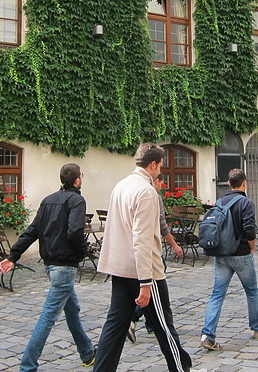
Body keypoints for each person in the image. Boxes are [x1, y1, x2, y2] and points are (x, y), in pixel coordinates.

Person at [93, 143, 196, 372]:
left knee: (114, 328)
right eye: (160, 166)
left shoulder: (121, 186)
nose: (160, 170)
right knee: (164, 327)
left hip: (120, 270)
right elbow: (142, 240)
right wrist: (145, 282)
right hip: (144, 272)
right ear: (152, 165)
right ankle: (181, 369)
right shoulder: (146, 192)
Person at [0, 163, 96, 371]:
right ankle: (27, 366)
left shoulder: (48, 200)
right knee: (48, 316)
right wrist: (83, 252)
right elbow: (74, 232)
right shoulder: (77, 200)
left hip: (52, 265)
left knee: (72, 310)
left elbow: (32, 231)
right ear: (77, 180)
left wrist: (13, 256)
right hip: (65, 267)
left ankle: (87, 353)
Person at [200, 168, 258, 351]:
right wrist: (252, 246)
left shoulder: (220, 201)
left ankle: (208, 334)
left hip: (221, 253)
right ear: (244, 183)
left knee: (217, 294)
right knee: (252, 291)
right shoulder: (246, 203)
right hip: (241, 253)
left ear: (229, 184)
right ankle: (257, 328)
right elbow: (249, 228)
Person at [128, 173, 184, 343]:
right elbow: (162, 227)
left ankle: (148, 322)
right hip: (150, 252)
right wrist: (175, 245)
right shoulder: (152, 195)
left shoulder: (131, 190)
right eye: (161, 182)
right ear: (156, 180)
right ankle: (136, 318)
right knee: (153, 287)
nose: (162, 186)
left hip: (134, 252)